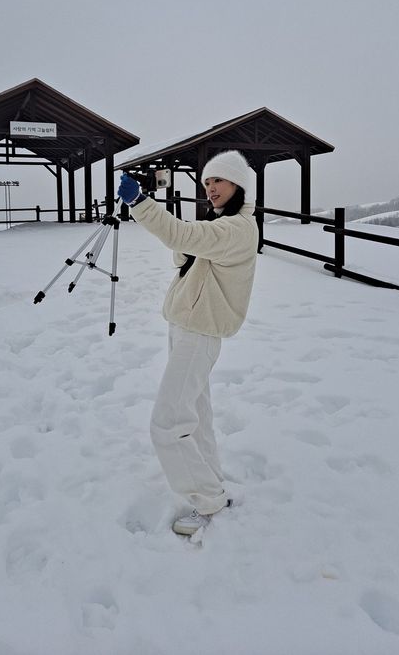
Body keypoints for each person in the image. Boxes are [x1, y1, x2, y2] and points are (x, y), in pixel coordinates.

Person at [117, 150, 258, 535]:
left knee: (167, 423)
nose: (211, 188)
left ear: (239, 186)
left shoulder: (238, 229)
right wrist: (186, 238)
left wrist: (139, 203)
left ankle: (207, 500)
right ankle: (213, 485)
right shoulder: (218, 224)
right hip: (184, 325)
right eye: (207, 182)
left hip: (200, 330)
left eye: (220, 181)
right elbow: (183, 252)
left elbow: (182, 236)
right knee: (196, 417)